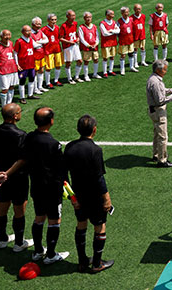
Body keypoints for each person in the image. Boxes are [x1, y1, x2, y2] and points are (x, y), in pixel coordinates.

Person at [0, 107, 69, 265]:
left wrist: (6, 173)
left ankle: (37, 251)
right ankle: (50, 255)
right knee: (54, 221)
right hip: (52, 189)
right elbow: (60, 170)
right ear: (51, 121)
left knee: (39, 218)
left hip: (36, 186)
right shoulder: (54, 144)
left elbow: (23, 158)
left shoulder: (29, 137)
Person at [65, 114, 114, 273]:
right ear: (94, 130)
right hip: (94, 196)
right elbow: (99, 177)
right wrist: (106, 198)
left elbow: (63, 177)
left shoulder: (69, 147)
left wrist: (72, 198)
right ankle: (97, 263)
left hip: (78, 195)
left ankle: (82, 261)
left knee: (81, 224)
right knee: (99, 226)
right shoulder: (95, 150)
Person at [0, 103, 32, 252]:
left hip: (1, 179)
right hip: (18, 178)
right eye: (19, 111)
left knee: (2, 207)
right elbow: (22, 159)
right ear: (15, 116)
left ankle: (3, 239)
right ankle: (18, 243)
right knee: (19, 210)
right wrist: (7, 174)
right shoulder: (21, 135)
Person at [146, 60, 172, 167]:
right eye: (165, 69)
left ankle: (156, 154)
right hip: (158, 111)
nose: (166, 71)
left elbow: (161, 91)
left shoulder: (153, 79)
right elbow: (160, 100)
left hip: (153, 110)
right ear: (158, 70)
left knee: (156, 133)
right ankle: (162, 160)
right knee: (162, 136)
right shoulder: (156, 82)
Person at [0, 30, 18, 107]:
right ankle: (4, 106)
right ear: (1, 36)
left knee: (12, 86)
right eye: (6, 35)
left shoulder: (11, 43)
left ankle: (9, 103)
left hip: (12, 69)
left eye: (9, 35)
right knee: (5, 89)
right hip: (3, 71)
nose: (7, 37)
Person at [13, 25, 38, 102]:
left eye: (30, 30)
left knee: (32, 79)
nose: (29, 32)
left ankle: (30, 94)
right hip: (23, 66)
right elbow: (15, 53)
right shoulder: (19, 41)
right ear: (22, 32)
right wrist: (17, 64)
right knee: (22, 81)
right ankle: (22, 97)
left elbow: (36, 45)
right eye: (27, 31)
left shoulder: (30, 39)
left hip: (31, 64)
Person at [59, 9, 83, 84]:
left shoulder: (75, 23)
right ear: (67, 16)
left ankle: (76, 77)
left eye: (74, 15)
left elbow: (75, 33)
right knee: (68, 63)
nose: (73, 17)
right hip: (68, 47)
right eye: (71, 15)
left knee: (79, 61)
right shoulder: (63, 26)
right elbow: (61, 38)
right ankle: (69, 78)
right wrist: (69, 42)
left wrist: (78, 38)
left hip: (75, 45)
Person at [42, 13, 65, 88]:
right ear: (48, 20)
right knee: (48, 67)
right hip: (48, 51)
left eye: (55, 20)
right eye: (52, 20)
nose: (54, 21)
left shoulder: (57, 28)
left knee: (58, 65)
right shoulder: (44, 29)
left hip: (57, 49)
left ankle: (56, 80)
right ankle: (48, 83)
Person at [78, 12, 101, 81]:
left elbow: (97, 36)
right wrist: (88, 45)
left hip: (94, 47)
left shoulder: (94, 26)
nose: (88, 19)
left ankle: (95, 74)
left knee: (96, 60)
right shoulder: (81, 27)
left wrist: (96, 44)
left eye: (90, 17)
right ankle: (86, 76)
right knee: (86, 61)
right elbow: (81, 38)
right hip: (86, 48)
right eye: (87, 17)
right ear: (84, 18)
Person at [30, 16, 50, 92]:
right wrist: (41, 41)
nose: (39, 26)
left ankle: (40, 87)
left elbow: (47, 40)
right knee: (34, 72)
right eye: (37, 24)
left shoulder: (40, 32)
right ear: (33, 24)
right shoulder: (30, 33)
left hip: (41, 55)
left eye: (40, 24)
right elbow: (34, 45)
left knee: (41, 70)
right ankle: (35, 89)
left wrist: (39, 42)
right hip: (34, 56)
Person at [117, 6, 138, 75]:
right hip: (123, 41)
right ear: (122, 13)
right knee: (123, 55)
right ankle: (122, 69)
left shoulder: (131, 19)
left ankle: (131, 67)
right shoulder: (119, 21)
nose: (127, 14)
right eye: (125, 12)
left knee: (131, 53)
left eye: (128, 12)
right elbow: (117, 32)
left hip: (130, 40)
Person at [100, 9, 121, 77]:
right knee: (105, 58)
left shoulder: (114, 22)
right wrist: (113, 32)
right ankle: (105, 72)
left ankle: (110, 70)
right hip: (106, 43)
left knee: (112, 57)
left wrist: (111, 31)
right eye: (112, 14)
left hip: (113, 42)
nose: (113, 16)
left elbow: (118, 31)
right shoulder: (102, 23)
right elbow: (104, 33)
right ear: (107, 15)